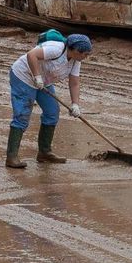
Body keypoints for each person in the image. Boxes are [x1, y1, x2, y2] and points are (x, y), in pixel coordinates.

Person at [6, 34, 93, 168]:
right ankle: (12, 157)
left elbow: (74, 83)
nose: (86, 57)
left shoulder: (76, 61)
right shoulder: (56, 49)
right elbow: (31, 55)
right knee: (22, 115)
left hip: (43, 82)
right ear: (76, 50)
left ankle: (44, 152)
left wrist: (75, 104)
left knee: (52, 112)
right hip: (23, 76)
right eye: (85, 54)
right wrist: (37, 76)